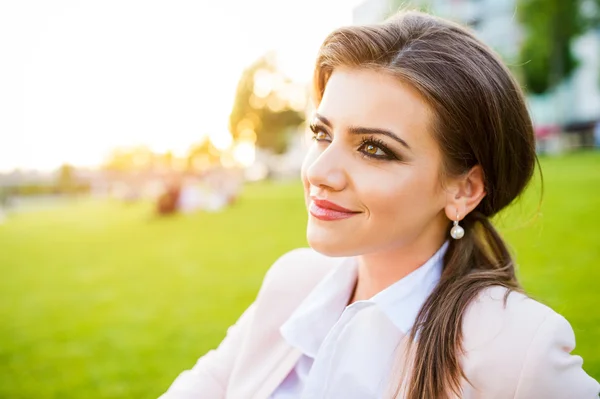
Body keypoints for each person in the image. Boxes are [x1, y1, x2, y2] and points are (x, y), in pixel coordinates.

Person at [159, 11, 600, 399]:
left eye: (373, 149)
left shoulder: (518, 348)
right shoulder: (293, 282)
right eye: (321, 134)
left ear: (464, 189)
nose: (318, 172)